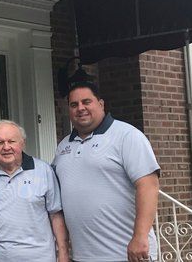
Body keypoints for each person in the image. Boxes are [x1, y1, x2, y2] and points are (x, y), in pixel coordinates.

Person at [52, 81, 160, 262]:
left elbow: (149, 185)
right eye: (74, 104)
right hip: (83, 256)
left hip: (127, 254)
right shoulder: (63, 146)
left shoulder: (127, 136)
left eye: (86, 102)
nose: (80, 108)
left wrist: (140, 237)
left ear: (101, 104)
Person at [0, 120, 70, 262]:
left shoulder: (43, 171)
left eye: (12, 141)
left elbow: (56, 215)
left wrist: (63, 254)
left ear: (22, 143)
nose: (6, 147)